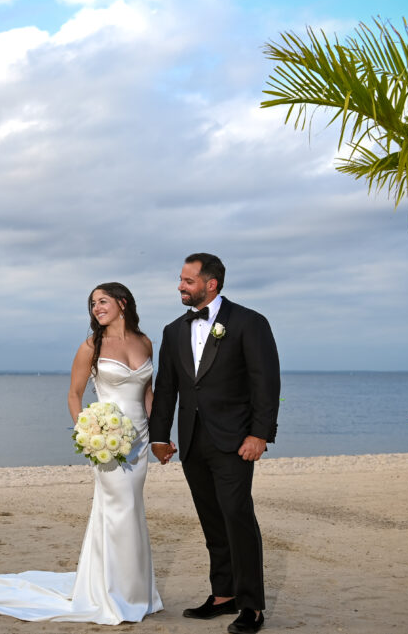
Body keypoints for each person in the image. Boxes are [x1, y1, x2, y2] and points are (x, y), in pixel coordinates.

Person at [0, 282, 163, 624]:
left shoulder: (145, 343)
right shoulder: (90, 347)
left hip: (139, 440)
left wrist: (159, 436)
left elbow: (148, 395)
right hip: (107, 443)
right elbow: (74, 394)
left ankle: (136, 593)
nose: (96, 308)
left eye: (103, 301)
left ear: (123, 303)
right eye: (93, 304)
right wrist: (89, 431)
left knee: (132, 510)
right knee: (118, 509)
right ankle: (114, 597)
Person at [148, 254, 280, 634]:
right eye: (180, 279)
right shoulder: (173, 330)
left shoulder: (249, 323)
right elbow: (168, 388)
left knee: (237, 517)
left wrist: (260, 434)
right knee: (211, 520)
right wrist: (160, 436)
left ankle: (251, 606)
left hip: (236, 441)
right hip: (191, 442)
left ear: (211, 284)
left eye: (187, 280)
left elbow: (265, 383)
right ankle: (224, 595)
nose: (180, 286)